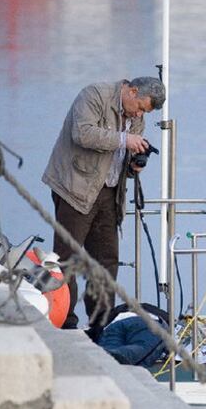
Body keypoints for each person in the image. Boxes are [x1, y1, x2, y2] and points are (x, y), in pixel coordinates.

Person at [42, 76, 166, 329]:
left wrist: (134, 166)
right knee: (67, 258)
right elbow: (83, 133)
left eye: (145, 112)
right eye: (141, 107)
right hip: (74, 188)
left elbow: (123, 157)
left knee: (106, 261)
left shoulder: (137, 118)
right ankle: (66, 322)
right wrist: (124, 140)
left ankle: (101, 324)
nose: (141, 114)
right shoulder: (94, 95)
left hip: (110, 193)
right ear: (132, 91)